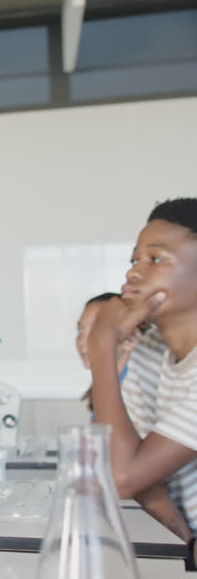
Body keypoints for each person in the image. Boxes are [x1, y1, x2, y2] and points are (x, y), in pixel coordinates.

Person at [88, 198, 197, 542]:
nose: (134, 272)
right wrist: (187, 546)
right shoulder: (150, 351)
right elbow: (127, 462)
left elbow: (123, 476)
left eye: (156, 259)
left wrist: (102, 343)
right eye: (135, 259)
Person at [75, 291, 139, 414]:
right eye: (81, 329)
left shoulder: (135, 390)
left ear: (130, 339)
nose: (82, 342)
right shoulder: (104, 385)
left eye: (96, 329)